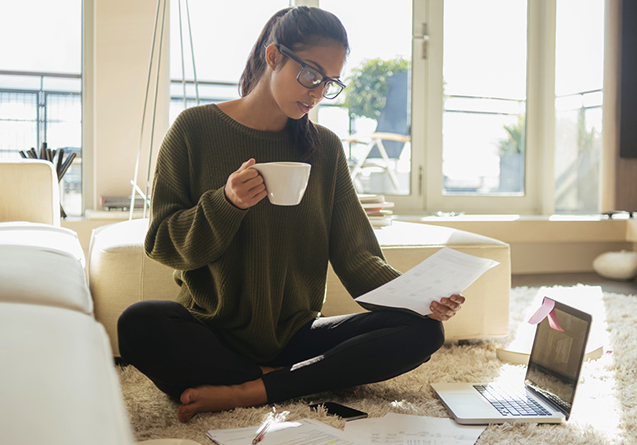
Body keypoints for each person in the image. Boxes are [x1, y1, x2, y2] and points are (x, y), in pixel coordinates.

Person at [117, 6, 465, 423]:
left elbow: (357, 258)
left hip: (296, 336)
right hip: (212, 330)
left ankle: (252, 388)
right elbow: (162, 244)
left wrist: (420, 300)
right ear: (273, 57)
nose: (318, 92)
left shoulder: (326, 149)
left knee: (424, 332)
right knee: (139, 323)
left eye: (330, 82)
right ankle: (294, 381)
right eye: (312, 74)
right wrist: (225, 203)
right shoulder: (193, 130)